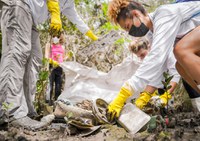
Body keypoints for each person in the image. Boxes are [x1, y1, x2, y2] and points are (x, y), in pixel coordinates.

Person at [0, 0, 98, 129]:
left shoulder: (69, 3)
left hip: (31, 17)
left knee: (35, 58)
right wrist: (55, 12)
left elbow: (75, 18)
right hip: (20, 5)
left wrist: (93, 37)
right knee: (17, 52)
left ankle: (27, 112)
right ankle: (10, 112)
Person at [107, 0, 200, 121]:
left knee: (180, 50)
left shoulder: (164, 14)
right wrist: (146, 96)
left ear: (135, 14)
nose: (130, 33)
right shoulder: (152, 32)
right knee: (180, 66)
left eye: (128, 27)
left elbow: (157, 57)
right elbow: (160, 65)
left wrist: (125, 92)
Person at [129, 37, 180, 109]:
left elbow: (175, 74)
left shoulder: (165, 51)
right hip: (162, 81)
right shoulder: (146, 60)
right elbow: (152, 79)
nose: (142, 58)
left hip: (183, 70)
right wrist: (144, 97)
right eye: (139, 56)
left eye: (143, 55)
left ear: (149, 47)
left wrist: (167, 95)